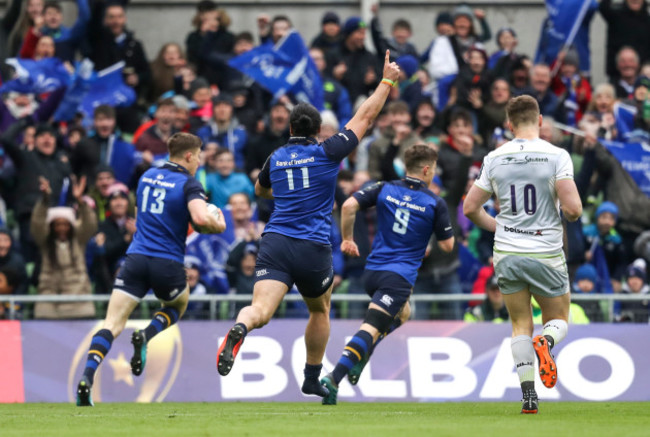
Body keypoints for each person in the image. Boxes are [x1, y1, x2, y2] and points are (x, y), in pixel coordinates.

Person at [215, 50, 400, 400]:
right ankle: (312, 376)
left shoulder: (276, 157)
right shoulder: (328, 151)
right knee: (320, 309)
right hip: (313, 246)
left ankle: (240, 327)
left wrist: (279, 188)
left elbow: (260, 191)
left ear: (289, 128)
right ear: (318, 131)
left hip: (275, 241)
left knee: (260, 310)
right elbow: (365, 115)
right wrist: (386, 80)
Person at [75, 132, 226, 407]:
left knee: (111, 323)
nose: (200, 161)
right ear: (190, 155)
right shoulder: (189, 184)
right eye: (200, 155)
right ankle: (146, 334)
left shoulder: (146, 177)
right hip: (166, 262)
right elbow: (201, 220)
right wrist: (219, 222)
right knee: (177, 305)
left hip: (134, 259)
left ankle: (87, 377)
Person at [463, 95, 582, 414]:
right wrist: (566, 215)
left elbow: (470, 208)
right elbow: (573, 208)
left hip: (507, 253)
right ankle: (548, 343)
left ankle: (529, 395)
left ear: (509, 124)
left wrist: (499, 226)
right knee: (558, 319)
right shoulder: (557, 155)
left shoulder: (494, 157)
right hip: (545, 252)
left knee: (519, 324)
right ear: (540, 120)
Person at [319, 144, 454, 405]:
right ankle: (333, 379)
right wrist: (425, 237)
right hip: (398, 277)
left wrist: (347, 239)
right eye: (433, 169)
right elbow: (448, 246)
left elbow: (348, 206)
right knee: (370, 327)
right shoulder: (434, 202)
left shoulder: (383, 188)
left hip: (373, 271)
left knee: (404, 314)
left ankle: (363, 355)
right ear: (427, 169)